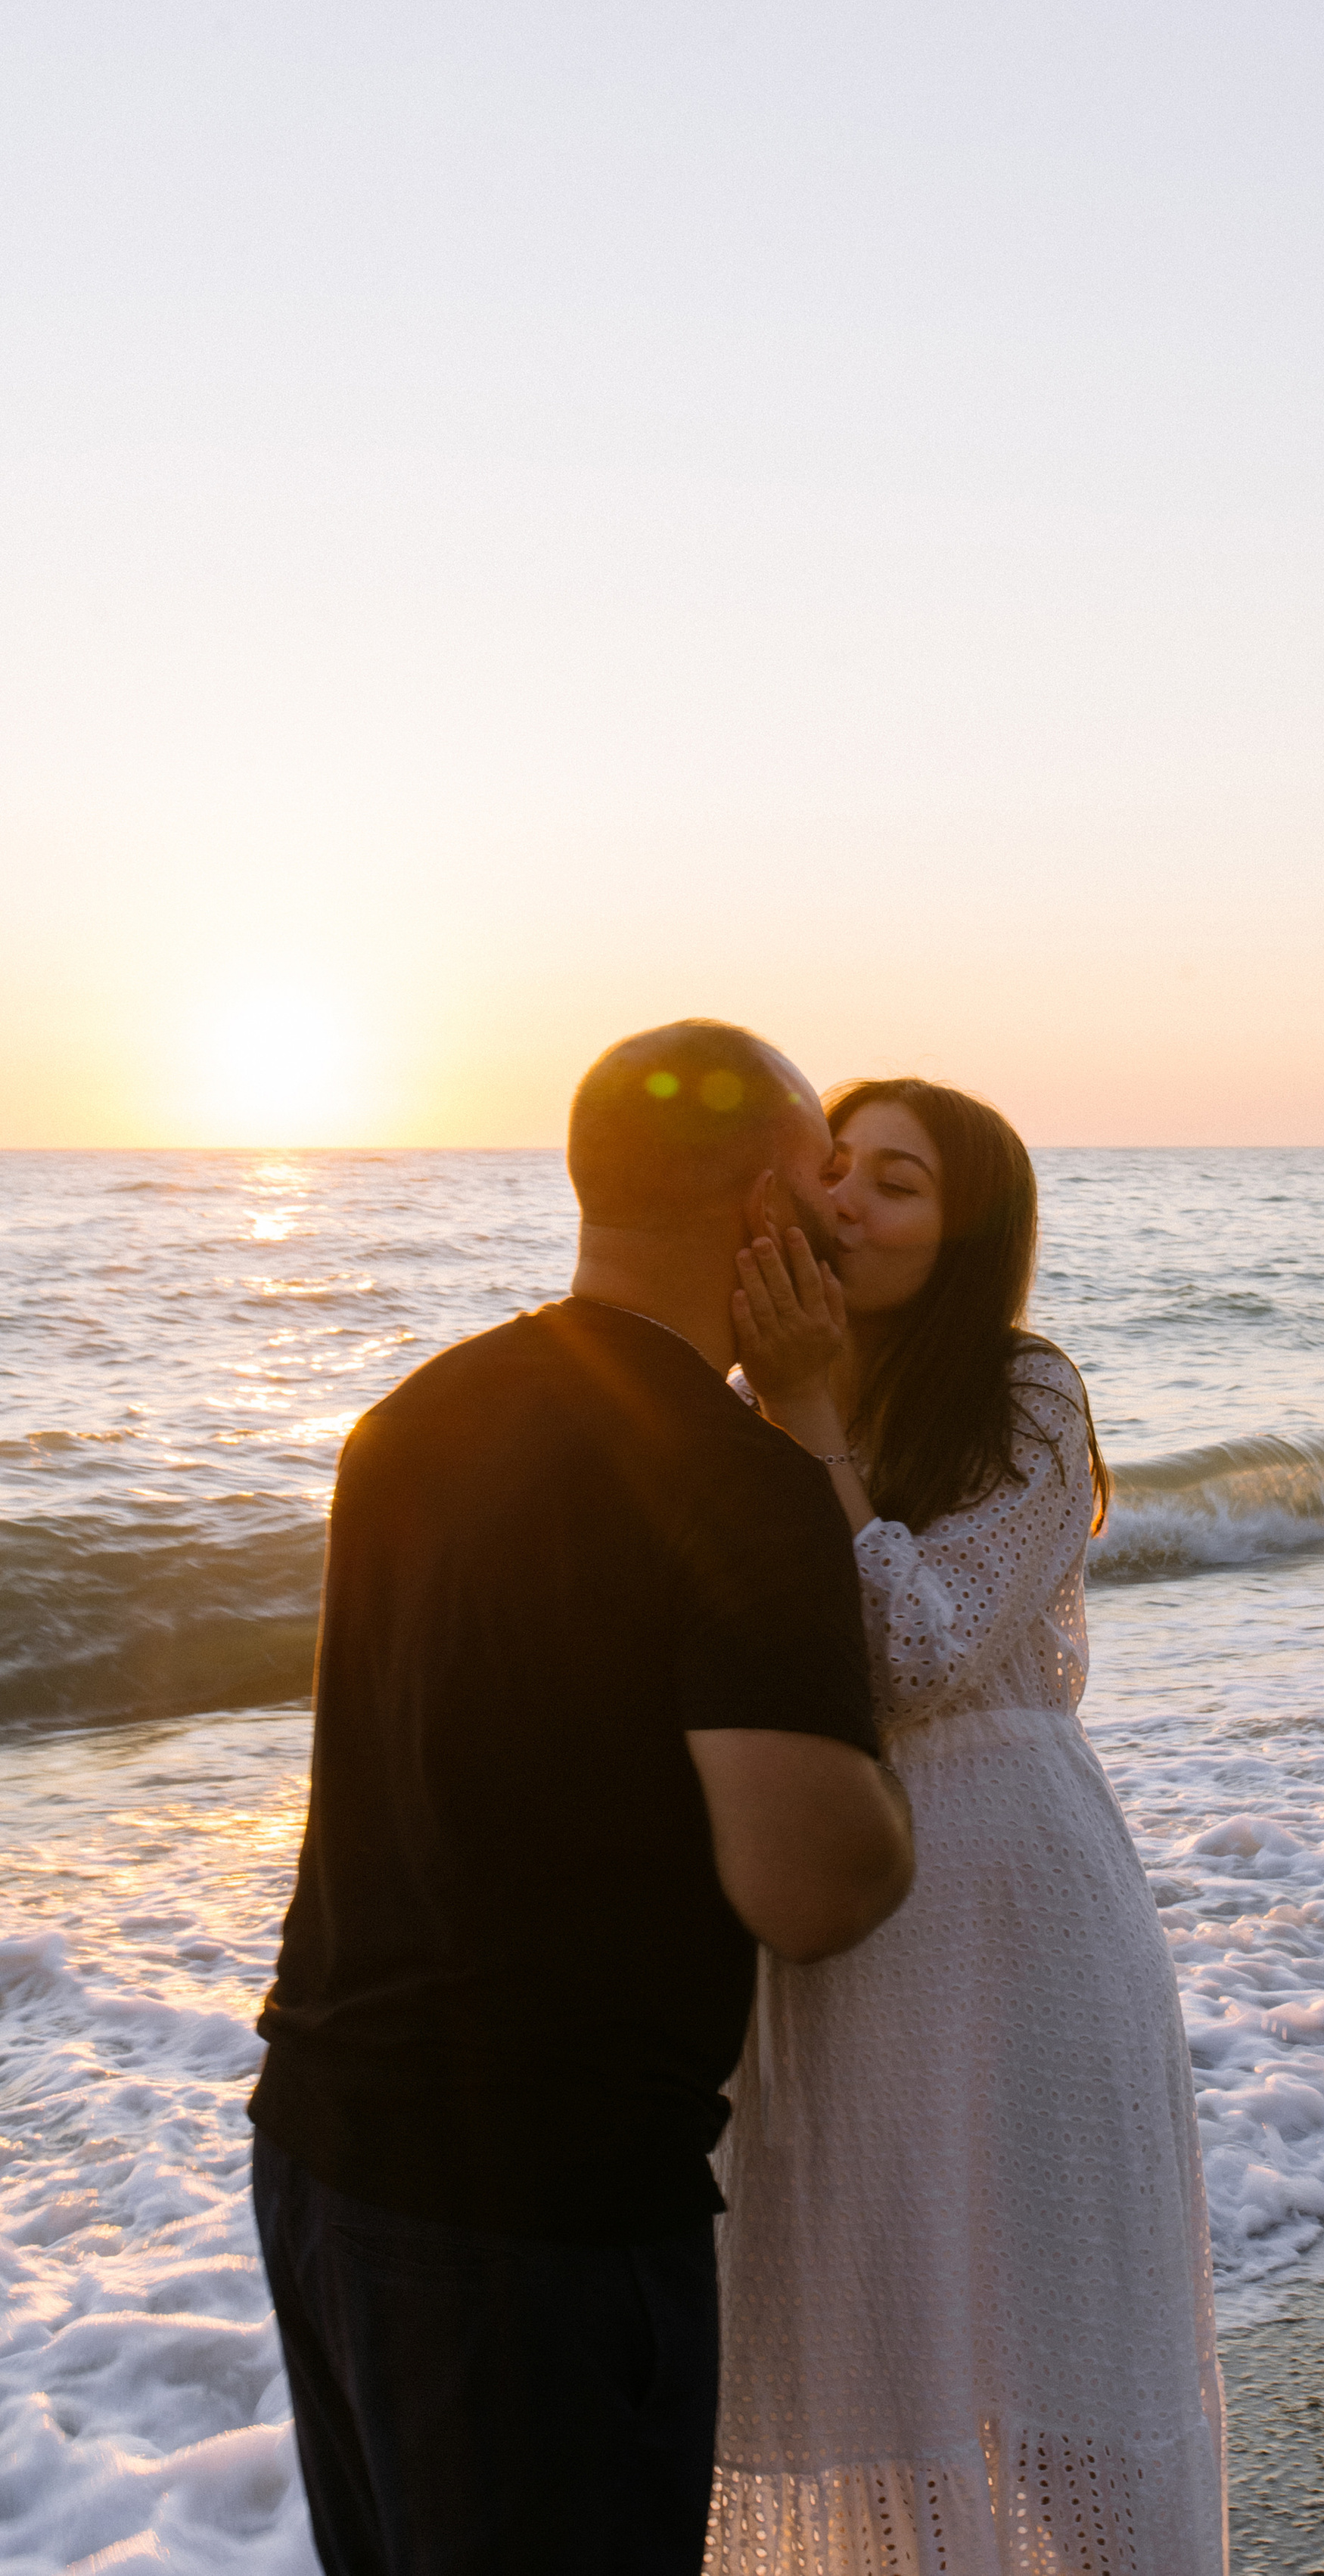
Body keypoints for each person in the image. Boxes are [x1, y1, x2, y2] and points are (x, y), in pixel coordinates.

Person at [249, 1020, 915, 2576]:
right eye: (824, 1179)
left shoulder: (409, 1416)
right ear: (761, 1206)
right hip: (540, 2211)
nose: (837, 1215)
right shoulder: (735, 1477)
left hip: (323, 2144)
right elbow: (812, 1889)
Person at [708, 1079, 1226, 2576]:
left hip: (1016, 1908)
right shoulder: (747, 1410)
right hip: (836, 1926)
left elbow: (916, 1655)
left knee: (1055, 2349)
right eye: (834, 1174)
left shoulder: (1024, 1399)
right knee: (871, 2347)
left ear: (966, 1231)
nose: (847, 1204)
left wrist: (803, 1409)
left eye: (895, 1184)